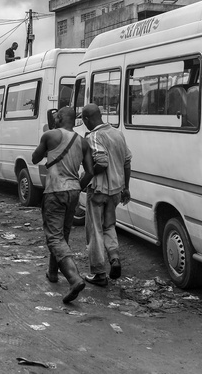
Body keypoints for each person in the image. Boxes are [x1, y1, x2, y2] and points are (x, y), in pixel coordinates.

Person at [31, 107, 94, 304]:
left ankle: (74, 279)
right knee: (62, 233)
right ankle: (52, 272)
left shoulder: (50, 135)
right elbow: (90, 172)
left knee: (54, 236)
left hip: (55, 190)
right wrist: (76, 187)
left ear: (57, 118)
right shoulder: (82, 141)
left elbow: (35, 158)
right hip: (73, 191)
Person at [80, 103, 132, 287]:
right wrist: (126, 187)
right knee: (109, 225)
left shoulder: (93, 136)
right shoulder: (117, 133)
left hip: (98, 192)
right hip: (116, 191)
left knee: (95, 230)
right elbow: (127, 162)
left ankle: (99, 273)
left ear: (87, 119)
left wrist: (84, 179)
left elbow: (101, 162)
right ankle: (114, 257)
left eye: (84, 120)